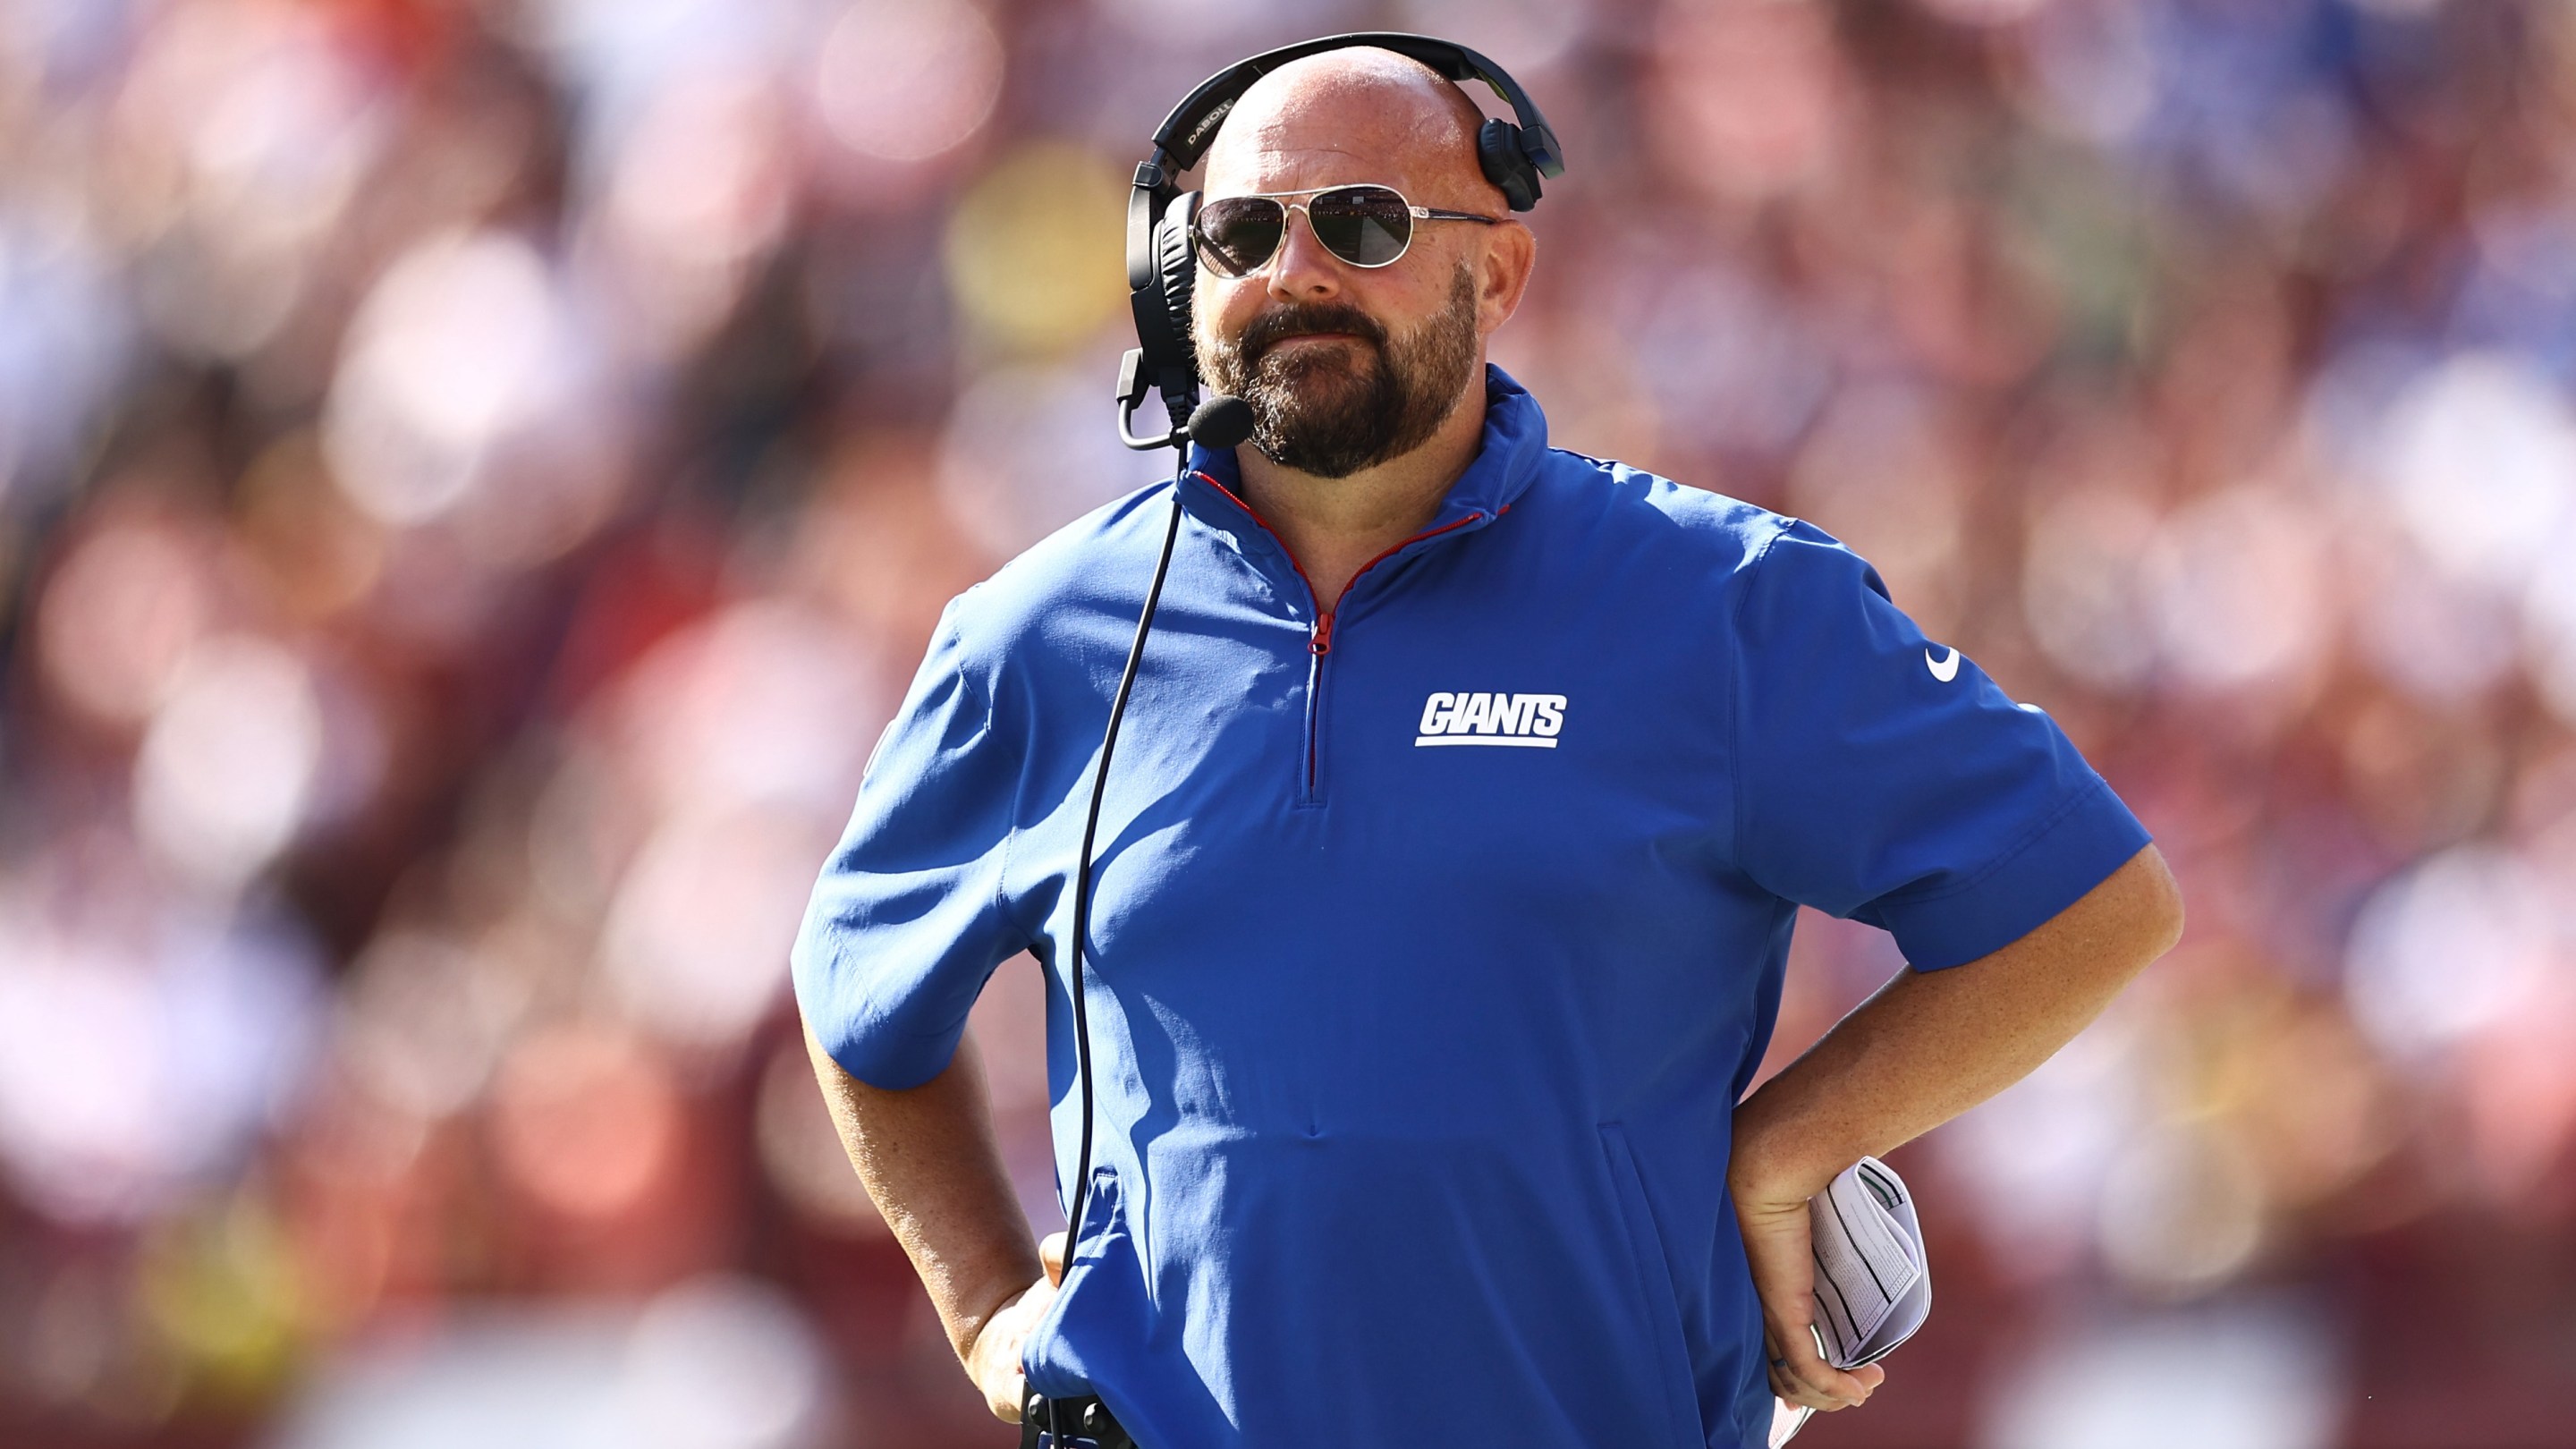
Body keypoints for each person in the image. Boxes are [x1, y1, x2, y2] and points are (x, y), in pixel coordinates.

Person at [791, 45, 2182, 1449]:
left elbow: (2085, 903)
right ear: (1177, 282)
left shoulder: (1723, 603)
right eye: (1241, 233)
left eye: (1365, 223)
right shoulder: (1037, 635)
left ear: (1500, 277)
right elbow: (858, 998)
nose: (1298, 272)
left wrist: (1791, 1147)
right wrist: (980, 1304)